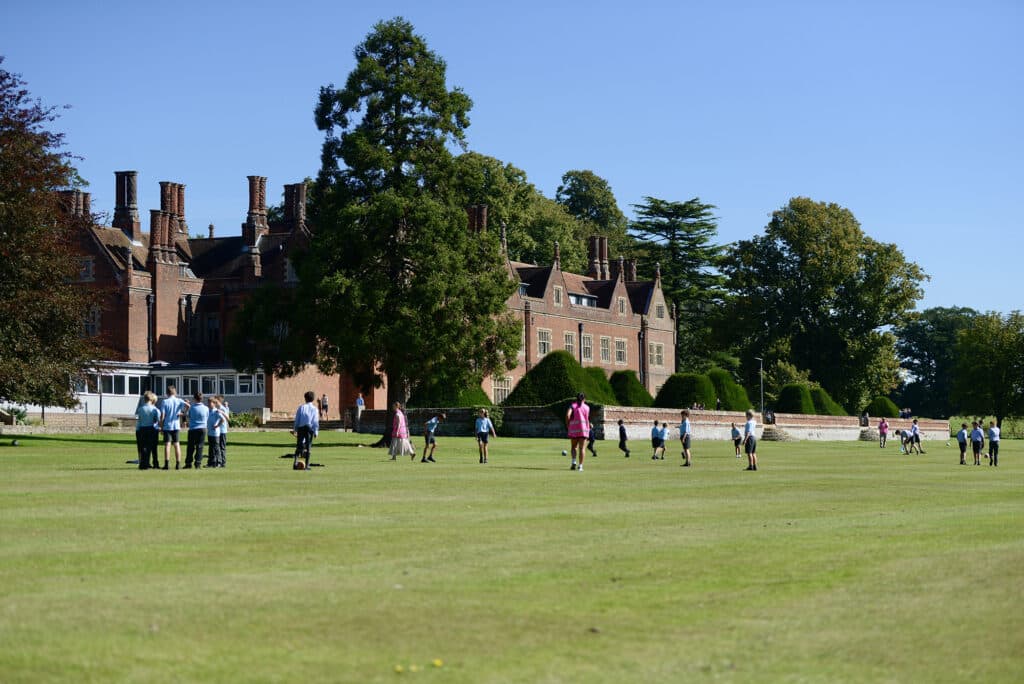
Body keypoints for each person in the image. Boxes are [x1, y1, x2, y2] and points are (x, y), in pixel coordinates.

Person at [158, 385, 188, 470]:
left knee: (167, 445)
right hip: (176, 425)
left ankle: (166, 464)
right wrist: (183, 413)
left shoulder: (165, 401)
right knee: (177, 444)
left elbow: (163, 415)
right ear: (175, 392)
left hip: (167, 426)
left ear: (167, 393)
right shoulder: (179, 400)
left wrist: (161, 426)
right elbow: (188, 405)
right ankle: (178, 464)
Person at [292, 391, 320, 469]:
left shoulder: (301, 407)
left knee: (299, 446)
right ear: (313, 399)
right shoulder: (315, 409)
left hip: (301, 428)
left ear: (305, 399)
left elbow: (297, 419)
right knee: (308, 447)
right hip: (309, 428)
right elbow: (315, 421)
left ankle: (295, 463)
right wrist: (316, 432)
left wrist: (295, 429)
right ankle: (307, 465)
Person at [135, 391, 160, 470]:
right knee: (151, 447)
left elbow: (139, 419)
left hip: (142, 429)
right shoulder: (154, 409)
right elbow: (157, 420)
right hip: (151, 428)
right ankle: (151, 463)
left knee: (143, 447)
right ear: (151, 399)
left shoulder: (140, 409)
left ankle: (143, 463)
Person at [565, 393, 590, 471]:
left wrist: (568, 425)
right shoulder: (587, 407)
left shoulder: (573, 406)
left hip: (574, 430)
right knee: (582, 448)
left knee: (573, 447)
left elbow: (567, 415)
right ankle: (581, 466)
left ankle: (574, 462)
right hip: (584, 430)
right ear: (584, 399)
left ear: (576, 398)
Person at [184, 392, 209, 469]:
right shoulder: (206, 408)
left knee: (190, 447)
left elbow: (188, 417)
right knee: (200, 446)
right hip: (202, 428)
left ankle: (188, 463)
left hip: (193, 428)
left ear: (194, 398)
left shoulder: (192, 408)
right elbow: (207, 417)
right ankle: (198, 463)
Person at [206, 397, 226, 468]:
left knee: (216, 448)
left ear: (214, 404)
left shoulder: (216, 411)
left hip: (215, 433)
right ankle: (211, 462)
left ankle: (219, 462)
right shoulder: (208, 411)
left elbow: (223, 419)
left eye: (210, 403)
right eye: (208, 402)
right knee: (211, 448)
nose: (208, 404)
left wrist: (217, 425)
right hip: (209, 432)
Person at [216, 396, 230, 466]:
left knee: (222, 447)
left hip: (222, 430)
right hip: (217, 431)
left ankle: (223, 462)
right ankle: (218, 461)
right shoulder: (216, 408)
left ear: (219, 401)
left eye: (216, 401)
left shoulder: (223, 408)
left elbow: (228, 418)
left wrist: (222, 412)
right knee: (217, 447)